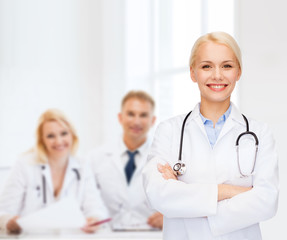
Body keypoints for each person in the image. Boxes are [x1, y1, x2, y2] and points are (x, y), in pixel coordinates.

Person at [142, 32, 279, 239]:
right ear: (193, 73)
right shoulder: (169, 131)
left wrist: (186, 198)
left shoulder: (260, 133)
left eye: (227, 66)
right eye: (207, 66)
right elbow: (158, 194)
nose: (217, 75)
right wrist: (229, 191)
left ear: (238, 72)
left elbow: (267, 201)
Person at [0, 109, 109, 234]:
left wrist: (94, 219)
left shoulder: (83, 166)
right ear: (42, 140)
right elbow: (3, 211)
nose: (59, 141)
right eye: (50, 136)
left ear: (72, 135)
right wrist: (10, 222)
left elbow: (96, 207)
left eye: (64, 133)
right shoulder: (24, 165)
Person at [87, 90, 163, 230]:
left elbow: (181, 200)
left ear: (153, 120)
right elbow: (87, 200)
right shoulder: (95, 158)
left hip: (152, 235)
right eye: (131, 114)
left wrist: (171, 217)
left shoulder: (165, 157)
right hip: (108, 235)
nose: (136, 121)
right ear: (120, 117)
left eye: (143, 115)